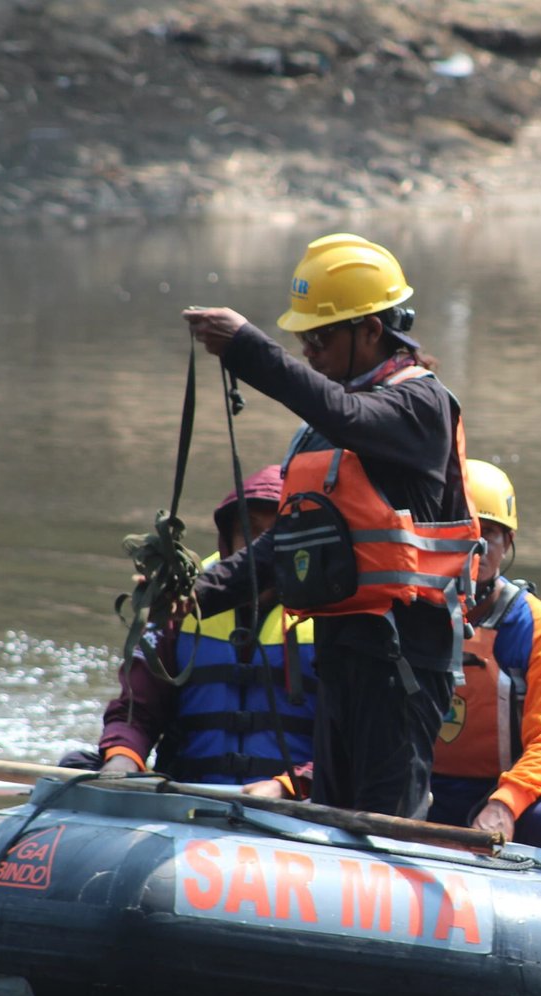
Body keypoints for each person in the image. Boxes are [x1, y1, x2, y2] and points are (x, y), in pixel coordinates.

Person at [181, 234, 479, 818]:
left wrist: (247, 348)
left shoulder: (420, 407)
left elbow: (345, 414)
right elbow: (284, 544)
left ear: (371, 330)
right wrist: (197, 593)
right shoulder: (322, 432)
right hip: (341, 652)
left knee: (381, 820)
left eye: (320, 337)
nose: (309, 350)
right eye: (301, 339)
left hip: (404, 660)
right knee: (334, 814)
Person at [88, 465, 317, 784]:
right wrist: (121, 760)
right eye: (249, 532)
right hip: (190, 801)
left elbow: (356, 744)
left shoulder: (337, 611)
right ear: (228, 539)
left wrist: (289, 787)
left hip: (297, 808)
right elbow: (136, 712)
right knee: (83, 763)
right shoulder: (180, 599)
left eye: (276, 535)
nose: (260, 551)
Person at [428, 459, 541, 851]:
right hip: (426, 784)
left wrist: (506, 802)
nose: (475, 550)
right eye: (464, 535)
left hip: (511, 788)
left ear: (508, 544)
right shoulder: (409, 615)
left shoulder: (538, 626)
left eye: (490, 536)